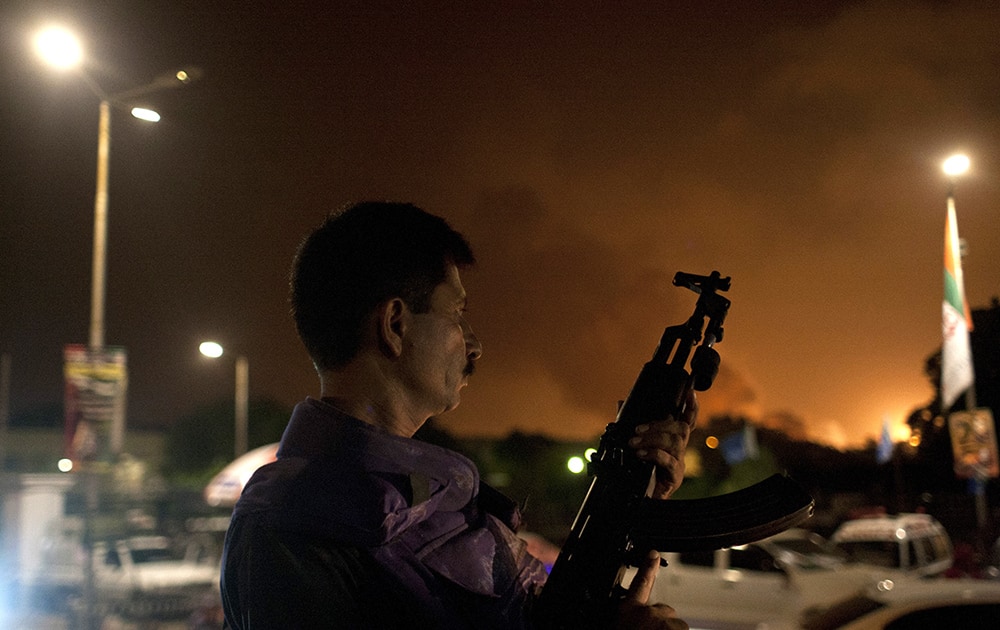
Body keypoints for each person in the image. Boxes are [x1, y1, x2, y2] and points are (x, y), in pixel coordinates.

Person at [220, 201, 695, 629]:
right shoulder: (291, 528)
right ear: (396, 325)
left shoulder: (416, 495)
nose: (474, 344)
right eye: (457, 314)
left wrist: (636, 490)